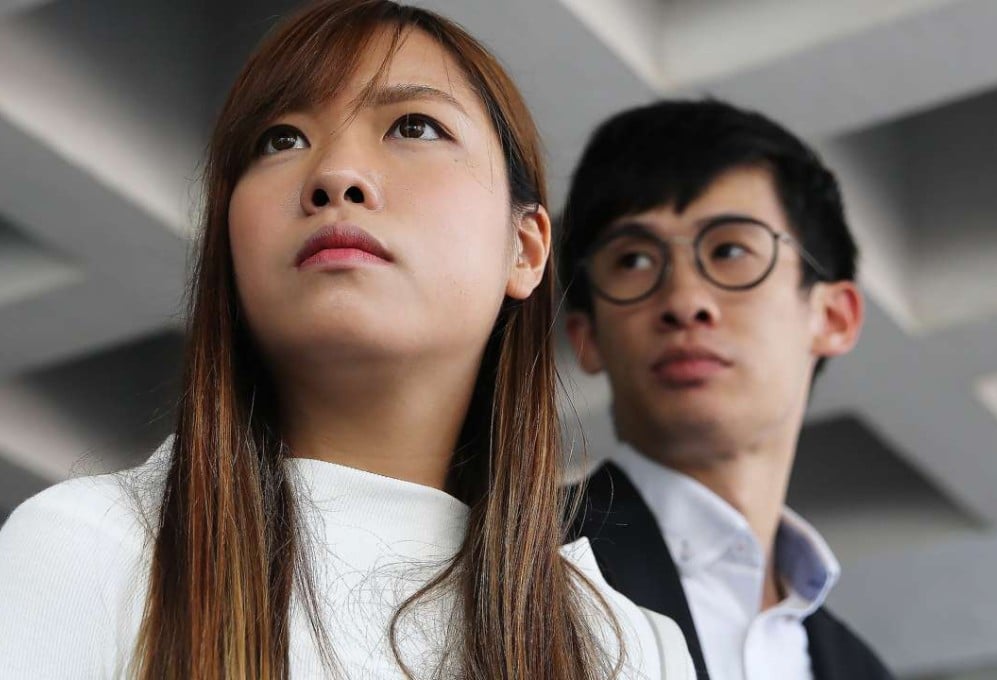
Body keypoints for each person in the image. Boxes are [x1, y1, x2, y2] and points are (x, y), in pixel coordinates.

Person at [0, 3, 695, 678]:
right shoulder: (91, 549)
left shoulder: (630, 647)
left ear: (526, 247)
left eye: (414, 126)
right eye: (281, 139)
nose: (335, 174)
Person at [560, 100, 894, 680]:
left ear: (833, 316)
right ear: (586, 336)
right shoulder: (510, 556)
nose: (685, 301)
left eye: (730, 250)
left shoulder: (864, 670)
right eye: (634, 260)